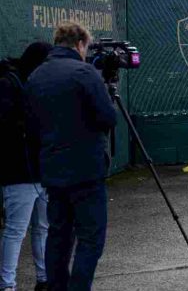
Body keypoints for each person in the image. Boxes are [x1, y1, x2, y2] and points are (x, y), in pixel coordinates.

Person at [25, 22, 117, 291]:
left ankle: (56, 287)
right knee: (90, 238)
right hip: (86, 171)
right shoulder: (84, 72)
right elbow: (108, 118)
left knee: (58, 235)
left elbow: (31, 128)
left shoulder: (36, 76)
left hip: (53, 171)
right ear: (79, 44)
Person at [0, 42, 53, 291]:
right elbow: (8, 125)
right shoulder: (9, 84)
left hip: (40, 169)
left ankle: (43, 279)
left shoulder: (32, 84)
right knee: (16, 231)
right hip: (19, 171)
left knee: (41, 227)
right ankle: (7, 285)